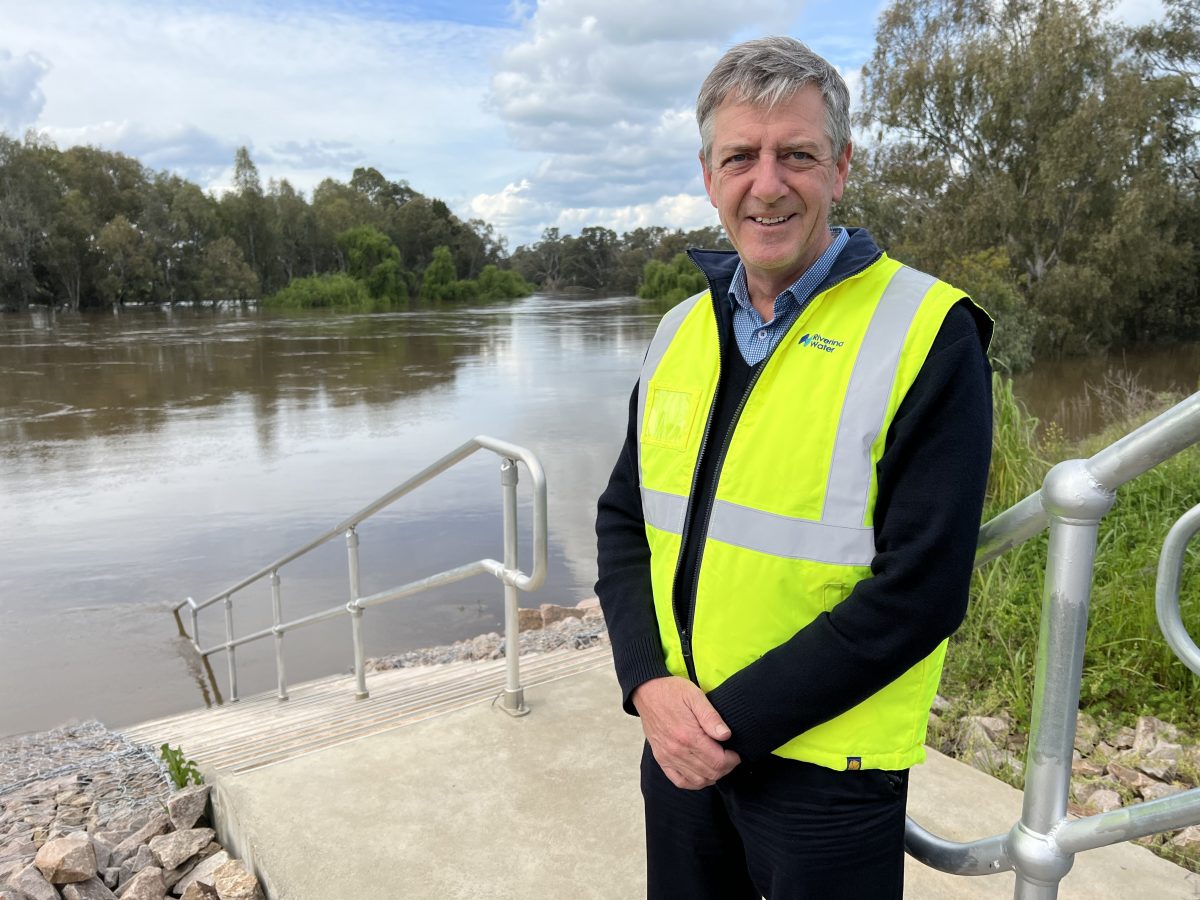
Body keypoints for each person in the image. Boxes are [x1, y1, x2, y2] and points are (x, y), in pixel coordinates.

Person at [594, 35, 994, 899]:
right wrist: (647, 685)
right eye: (740, 156)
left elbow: (921, 589)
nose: (766, 183)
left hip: (827, 770)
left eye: (797, 155)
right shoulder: (678, 333)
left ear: (841, 168)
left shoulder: (928, 330)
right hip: (678, 750)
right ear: (709, 176)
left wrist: (722, 727)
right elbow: (625, 522)